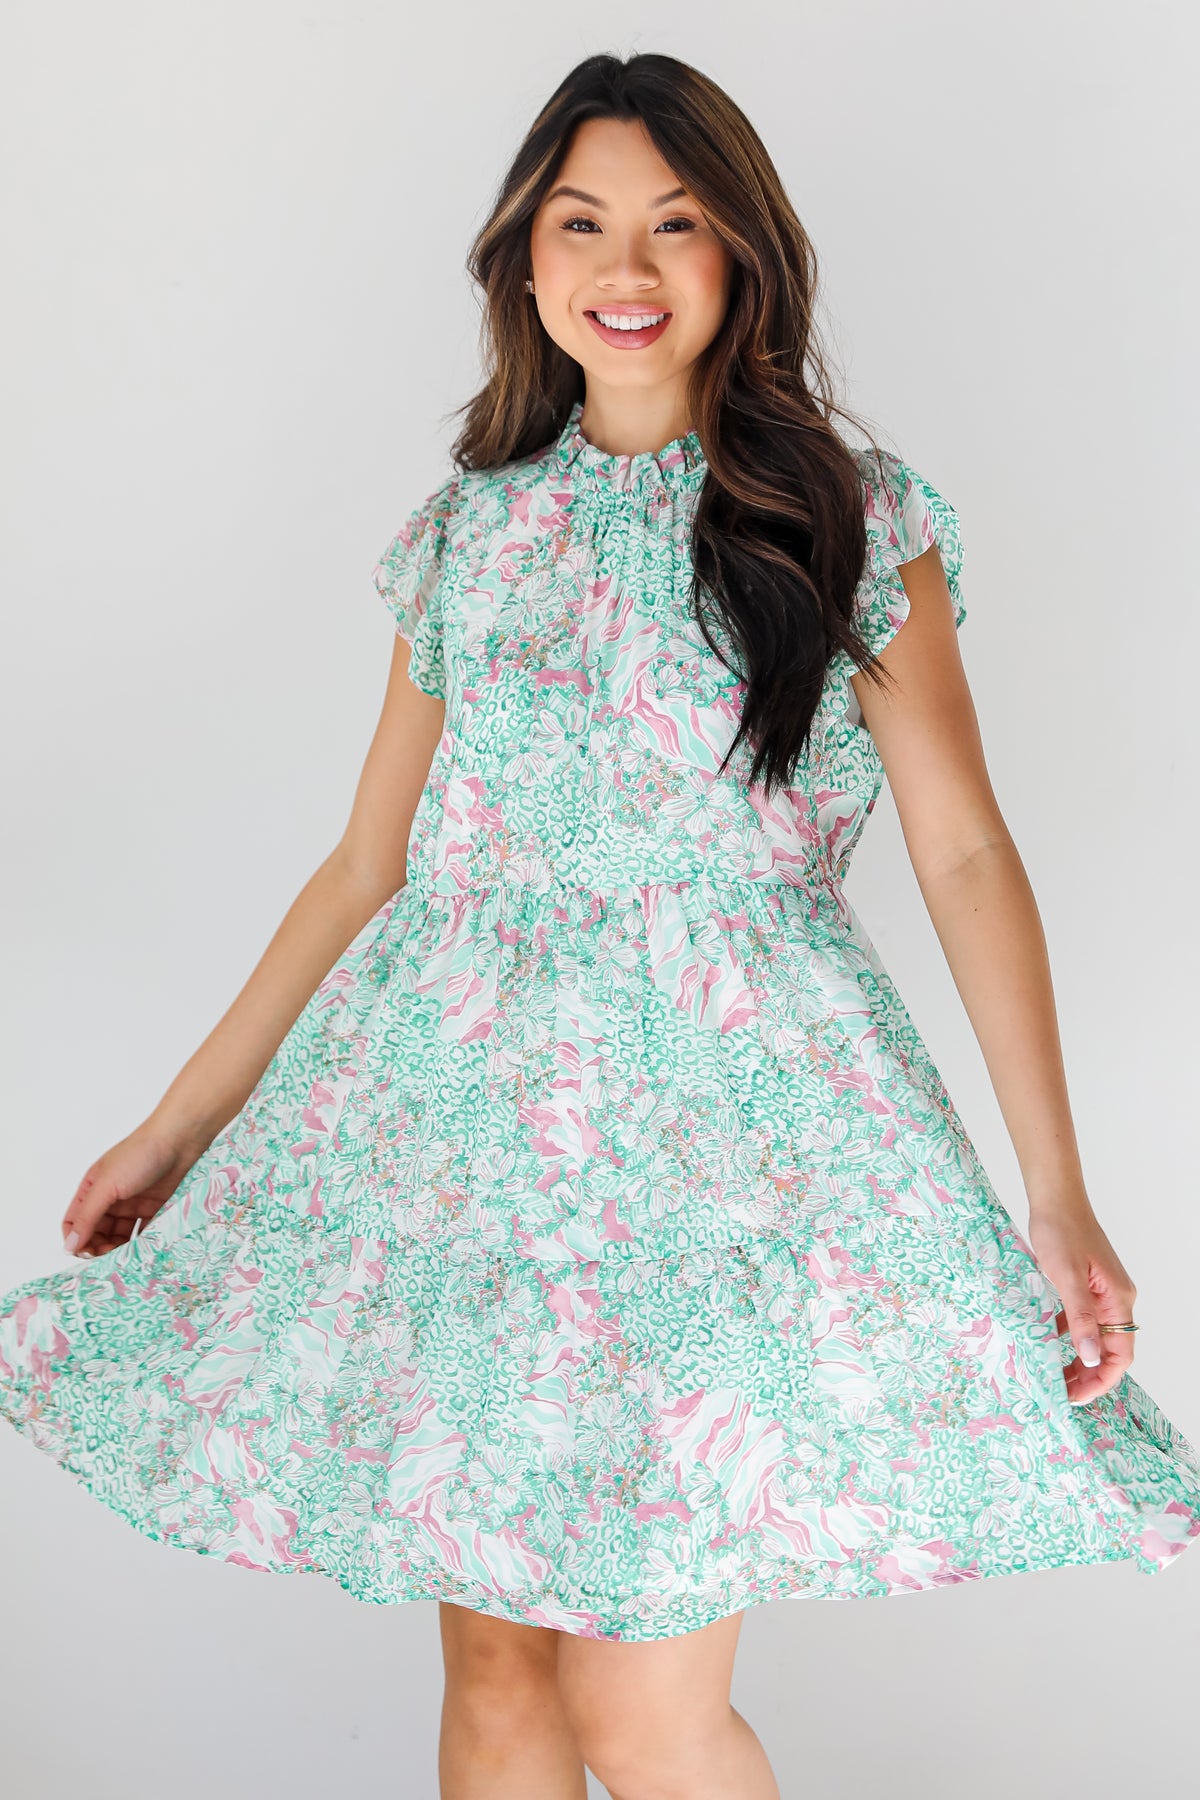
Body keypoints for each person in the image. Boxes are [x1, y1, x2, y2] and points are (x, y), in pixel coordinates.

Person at [2, 48, 1198, 1800]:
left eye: (674, 224)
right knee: (498, 1677)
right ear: (525, 257)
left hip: (728, 1150)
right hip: (475, 1152)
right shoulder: (470, 538)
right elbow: (364, 865)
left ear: (743, 256)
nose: (625, 269)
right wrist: (175, 1132)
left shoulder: (844, 521)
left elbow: (961, 855)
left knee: (642, 1708)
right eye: (581, 224)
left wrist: (1059, 1188)